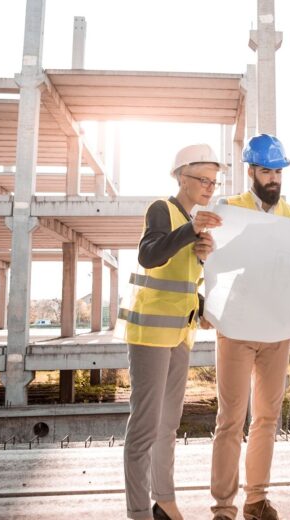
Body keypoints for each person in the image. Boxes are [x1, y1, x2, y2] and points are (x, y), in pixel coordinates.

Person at [119, 143, 225, 520]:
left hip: (180, 335)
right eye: (203, 179)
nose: (210, 187)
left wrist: (201, 261)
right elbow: (149, 255)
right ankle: (137, 512)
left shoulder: (192, 220)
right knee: (145, 427)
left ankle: (164, 500)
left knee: (167, 425)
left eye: (214, 181)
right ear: (182, 176)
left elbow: (182, 283)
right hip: (149, 335)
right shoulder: (161, 209)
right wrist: (190, 230)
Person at [201, 134, 290, 520]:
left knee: (266, 418)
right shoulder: (229, 209)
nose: (274, 179)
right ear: (251, 172)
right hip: (238, 329)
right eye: (266, 171)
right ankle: (223, 507)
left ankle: (256, 500)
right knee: (230, 420)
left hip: (277, 331)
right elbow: (212, 262)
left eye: (278, 171)